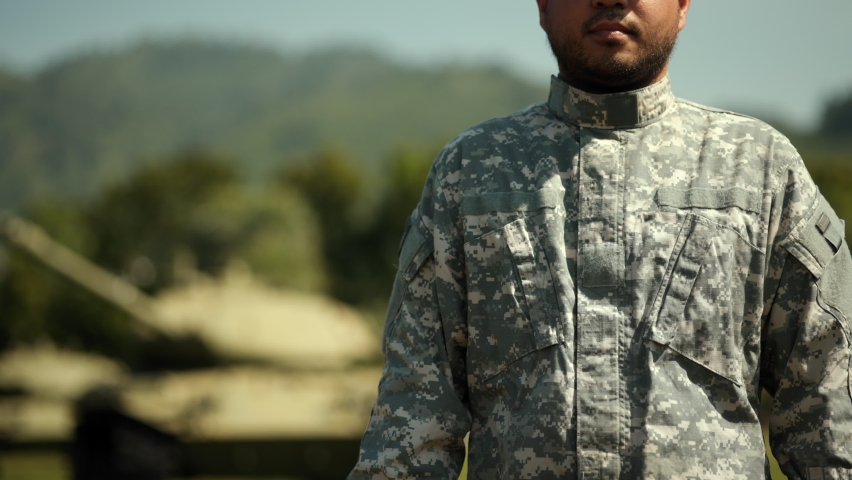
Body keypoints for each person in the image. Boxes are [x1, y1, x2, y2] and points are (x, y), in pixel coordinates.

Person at [349, 0, 852, 478]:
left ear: (682, 5)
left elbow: (830, 411)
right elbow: (411, 421)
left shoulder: (759, 170)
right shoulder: (471, 174)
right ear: (542, 6)